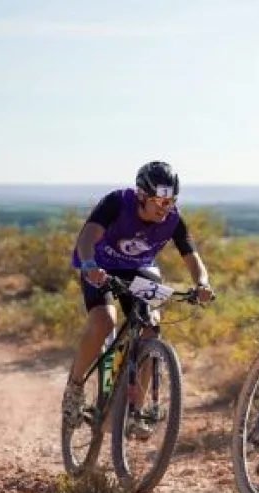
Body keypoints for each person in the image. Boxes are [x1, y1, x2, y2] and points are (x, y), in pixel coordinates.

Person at [61, 161, 215, 438]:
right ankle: (75, 387)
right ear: (142, 195)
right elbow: (86, 238)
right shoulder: (117, 202)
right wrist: (88, 265)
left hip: (139, 269)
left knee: (150, 326)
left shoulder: (172, 219)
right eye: (159, 200)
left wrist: (202, 283)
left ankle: (135, 410)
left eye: (171, 201)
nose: (164, 207)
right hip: (99, 266)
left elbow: (192, 256)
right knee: (104, 321)